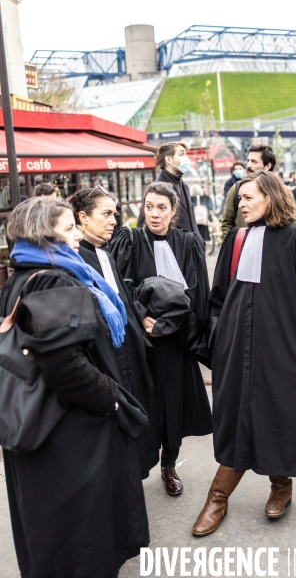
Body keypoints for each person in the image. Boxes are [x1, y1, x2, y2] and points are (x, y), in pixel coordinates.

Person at [192, 170, 296, 537]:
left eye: (248, 197)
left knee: (280, 411)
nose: (241, 204)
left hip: (282, 346)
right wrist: (215, 341)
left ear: (272, 196)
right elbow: (219, 297)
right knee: (235, 415)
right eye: (240, 198)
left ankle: (281, 486)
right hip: (234, 346)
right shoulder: (236, 238)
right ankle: (218, 496)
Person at [0, 198, 149, 578]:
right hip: (68, 431)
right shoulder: (53, 277)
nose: (76, 236)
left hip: (40, 423)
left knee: (53, 532)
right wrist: (112, 401)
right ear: (42, 234)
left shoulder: (21, 273)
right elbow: (65, 367)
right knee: (81, 538)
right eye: (68, 228)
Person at [110, 182, 212, 497]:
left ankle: (169, 465)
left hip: (176, 340)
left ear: (173, 211)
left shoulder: (188, 243)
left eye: (161, 207)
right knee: (144, 405)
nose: (154, 214)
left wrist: (175, 326)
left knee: (174, 405)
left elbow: (197, 291)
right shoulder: (129, 240)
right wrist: (141, 317)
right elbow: (121, 287)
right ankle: (137, 468)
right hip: (143, 341)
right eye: (149, 206)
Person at [69, 185, 157, 474]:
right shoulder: (75, 260)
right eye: (106, 214)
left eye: (114, 214)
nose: (114, 221)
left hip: (128, 354)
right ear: (83, 217)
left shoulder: (104, 253)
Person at [138, 141, 205, 250]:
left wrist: (200, 242)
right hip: (175, 255)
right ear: (169, 159)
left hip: (193, 254)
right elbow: (144, 228)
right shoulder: (156, 190)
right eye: (182, 154)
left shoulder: (184, 186)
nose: (186, 159)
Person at [221, 144, 276, 237]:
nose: (249, 165)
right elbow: (227, 223)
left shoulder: (282, 191)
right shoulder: (237, 188)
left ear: (267, 166)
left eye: (254, 162)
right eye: (248, 161)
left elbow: (291, 221)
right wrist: (233, 246)